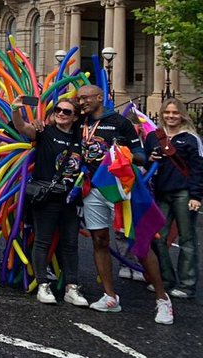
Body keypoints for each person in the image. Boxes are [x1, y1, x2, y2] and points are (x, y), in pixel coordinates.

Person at [76, 84, 173, 323]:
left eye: (86, 98)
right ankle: (110, 296)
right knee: (99, 240)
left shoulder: (120, 122)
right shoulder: (80, 123)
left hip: (119, 187)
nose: (82, 102)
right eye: (79, 99)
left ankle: (163, 300)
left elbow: (139, 153)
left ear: (100, 97)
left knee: (139, 242)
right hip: (92, 188)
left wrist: (125, 153)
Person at [12, 97, 89, 306]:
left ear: (75, 117)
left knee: (71, 243)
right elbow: (21, 127)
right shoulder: (45, 132)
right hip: (46, 196)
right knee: (43, 240)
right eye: (58, 110)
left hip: (71, 199)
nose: (61, 114)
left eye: (67, 111)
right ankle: (43, 284)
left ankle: (71, 287)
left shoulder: (81, 138)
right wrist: (16, 109)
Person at [145, 99, 202, 300]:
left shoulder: (191, 139)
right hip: (161, 192)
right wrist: (150, 159)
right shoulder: (154, 136)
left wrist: (196, 196)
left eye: (175, 113)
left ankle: (187, 285)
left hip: (183, 192)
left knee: (187, 239)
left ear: (182, 115)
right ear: (162, 114)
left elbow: (198, 168)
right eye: (167, 112)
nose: (171, 116)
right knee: (158, 237)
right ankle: (165, 280)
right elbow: (145, 160)